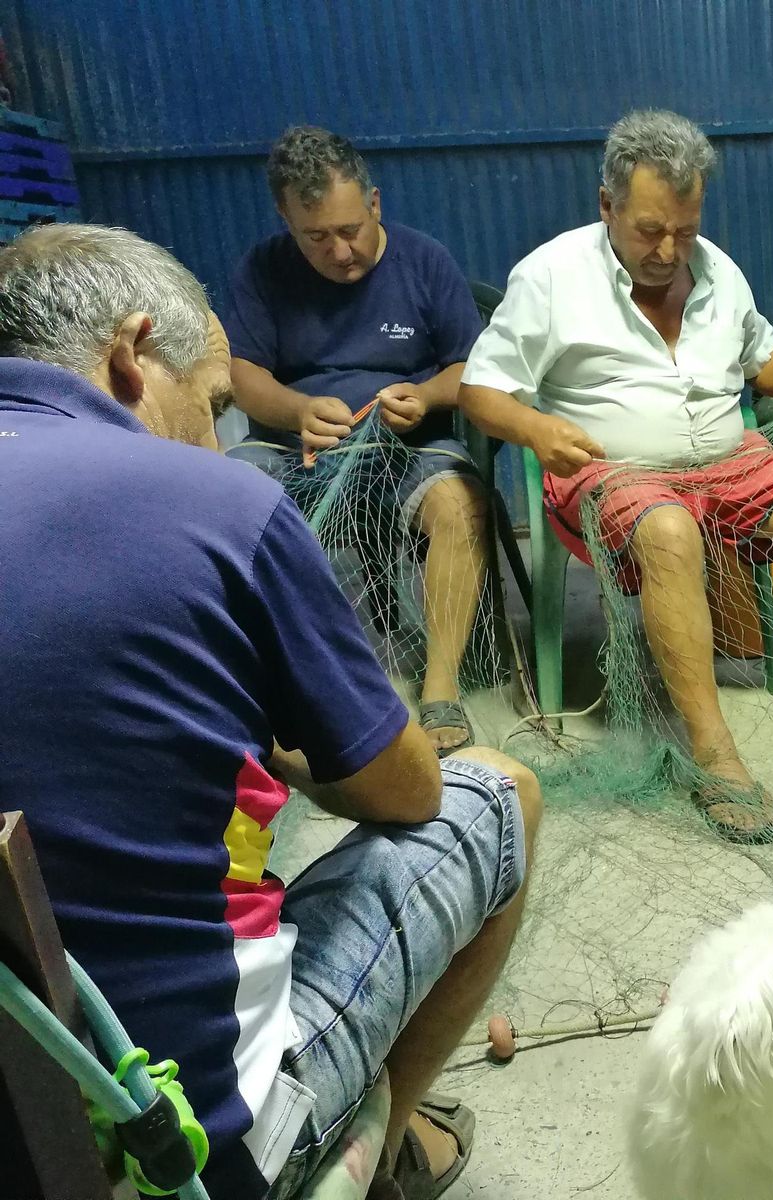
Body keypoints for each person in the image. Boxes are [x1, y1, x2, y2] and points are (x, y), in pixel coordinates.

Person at [0, 223, 541, 1200]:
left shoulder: (421, 266)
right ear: (129, 356)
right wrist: (294, 745)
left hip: (25, 1144)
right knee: (496, 793)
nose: (214, 441)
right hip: (180, 1152)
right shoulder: (215, 502)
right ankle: (368, 1144)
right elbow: (410, 789)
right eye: (210, 406)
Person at [459, 108, 773, 844]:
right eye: (649, 230)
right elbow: (480, 389)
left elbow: (767, 361)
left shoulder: (719, 270)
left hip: (727, 462)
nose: (668, 249)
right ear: (607, 206)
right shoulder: (552, 275)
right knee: (668, 527)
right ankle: (713, 752)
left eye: (684, 231)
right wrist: (535, 428)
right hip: (611, 472)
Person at [225, 125, 488, 755]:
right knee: (225, 505)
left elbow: (472, 367)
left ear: (375, 203)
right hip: (297, 448)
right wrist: (295, 410)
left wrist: (424, 396)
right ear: (286, 219)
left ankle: (441, 688)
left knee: (458, 505)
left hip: (409, 450)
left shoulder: (425, 261)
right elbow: (241, 374)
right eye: (316, 237)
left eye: (351, 230)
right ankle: (275, 691)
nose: (340, 252)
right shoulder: (262, 270)